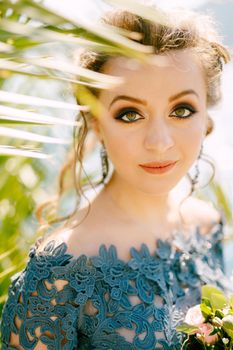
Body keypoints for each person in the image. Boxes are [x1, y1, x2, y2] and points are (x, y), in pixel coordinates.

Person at [1, 5, 232, 350]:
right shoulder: (61, 271)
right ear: (95, 122)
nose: (159, 142)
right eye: (130, 114)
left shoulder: (207, 226)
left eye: (181, 110)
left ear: (205, 116)